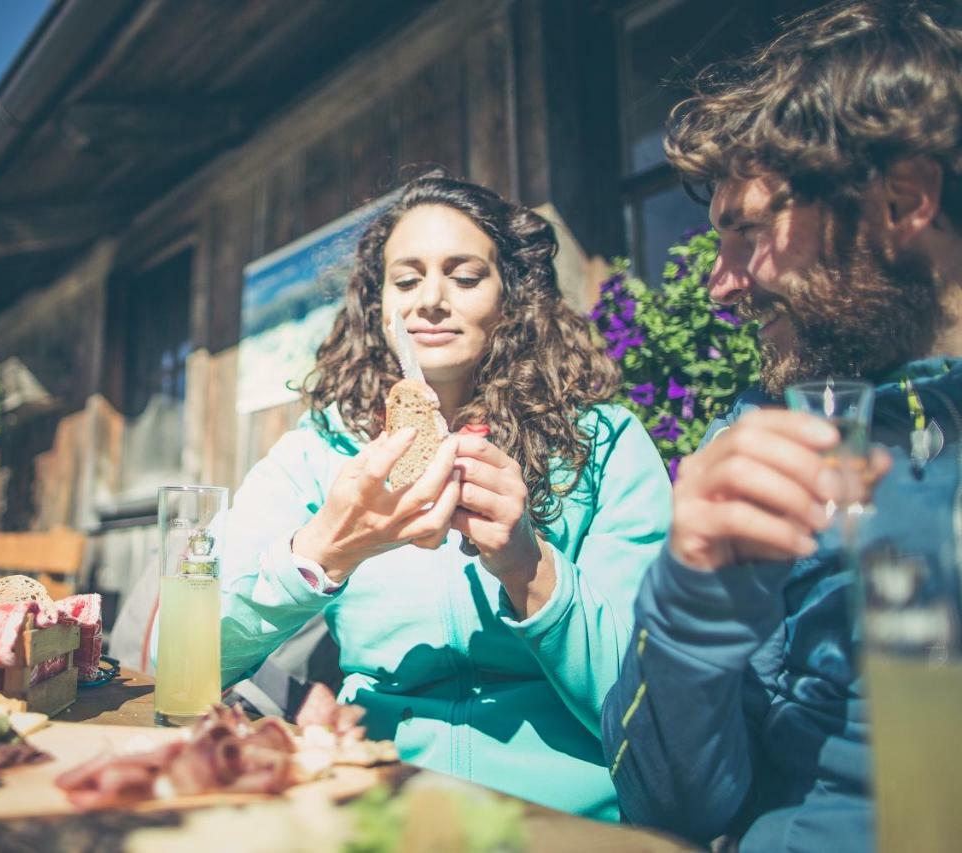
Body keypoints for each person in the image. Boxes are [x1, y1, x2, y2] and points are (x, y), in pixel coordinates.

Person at [601, 2, 962, 849]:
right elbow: (670, 807)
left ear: (904, 199)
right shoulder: (763, 443)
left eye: (748, 231)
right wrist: (690, 610)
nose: (720, 284)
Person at [217, 171, 672, 819]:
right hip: (374, 799)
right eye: (406, 280)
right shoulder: (319, 452)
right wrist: (325, 548)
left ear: (512, 295)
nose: (430, 299)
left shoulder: (603, 444)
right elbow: (191, 654)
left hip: (561, 817)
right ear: (378, 306)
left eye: (464, 276)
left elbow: (650, 708)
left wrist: (529, 566)